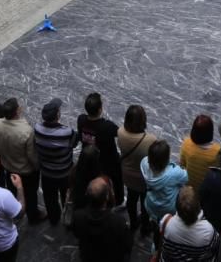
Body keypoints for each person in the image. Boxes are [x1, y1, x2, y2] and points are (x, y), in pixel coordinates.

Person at [0, 97, 46, 223]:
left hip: (8, 167)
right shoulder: (26, 131)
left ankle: (15, 211)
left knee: (13, 190)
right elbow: (31, 155)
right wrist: (37, 167)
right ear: (17, 111)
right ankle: (33, 215)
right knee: (31, 194)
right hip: (26, 171)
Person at [33, 97, 77, 226]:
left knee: (50, 197)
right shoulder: (67, 132)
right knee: (67, 196)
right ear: (58, 115)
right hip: (64, 172)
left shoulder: (37, 129)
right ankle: (67, 218)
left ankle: (54, 218)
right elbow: (73, 144)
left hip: (47, 173)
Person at [72, 177, 133, 261]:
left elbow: (77, 234)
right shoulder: (118, 222)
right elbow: (127, 245)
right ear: (107, 197)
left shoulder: (77, 216)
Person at [77, 92, 123, 204]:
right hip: (108, 161)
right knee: (116, 178)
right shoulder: (107, 126)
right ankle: (118, 199)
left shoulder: (81, 120)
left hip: (89, 157)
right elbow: (120, 133)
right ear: (100, 110)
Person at [117, 104, 157, 233]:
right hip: (144, 178)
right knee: (145, 202)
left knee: (131, 198)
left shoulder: (120, 132)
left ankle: (133, 222)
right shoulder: (150, 140)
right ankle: (145, 226)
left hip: (128, 174)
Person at [158, 186, 219, 261]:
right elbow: (213, 249)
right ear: (198, 205)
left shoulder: (166, 222)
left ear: (176, 206)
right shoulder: (208, 231)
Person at [141, 139, 189, 226]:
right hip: (168, 209)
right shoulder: (174, 173)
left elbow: (147, 160)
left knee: (156, 224)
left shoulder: (144, 163)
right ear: (167, 159)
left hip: (151, 203)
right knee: (165, 226)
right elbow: (186, 177)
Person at [179, 114, 220, 191]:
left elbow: (182, 165)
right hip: (207, 192)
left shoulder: (186, 143)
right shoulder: (217, 151)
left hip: (189, 189)